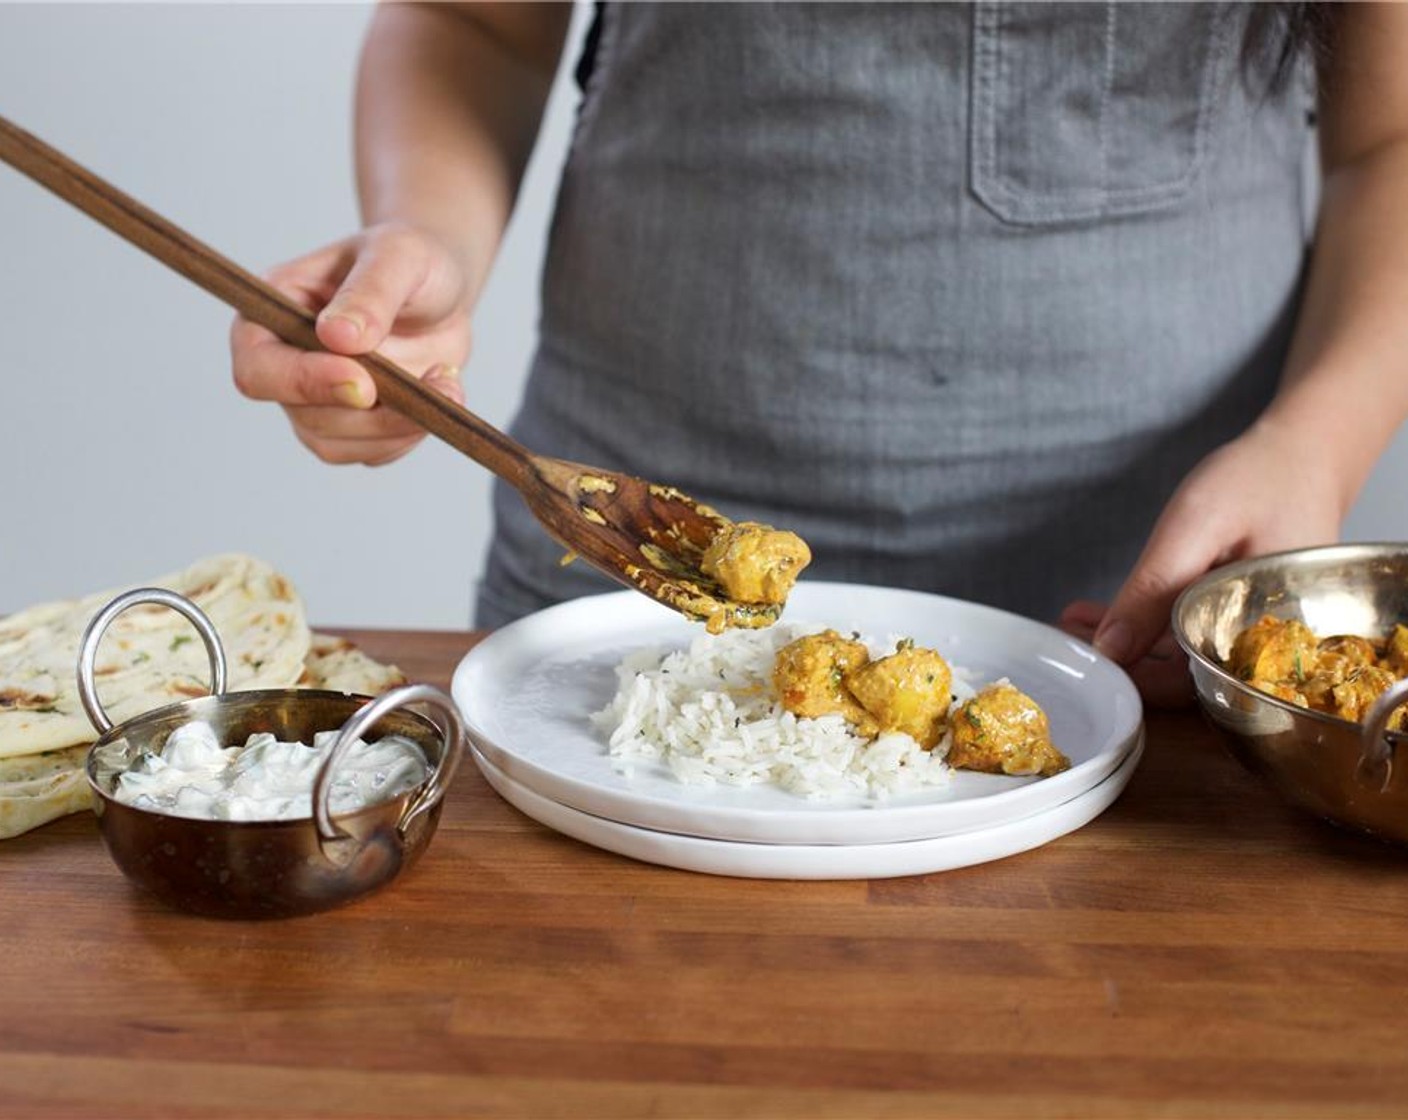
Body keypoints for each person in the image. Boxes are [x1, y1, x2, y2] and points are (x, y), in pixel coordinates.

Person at [231, 2, 1408, 707]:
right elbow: (472, 19)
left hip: (1135, 613)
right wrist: (425, 244)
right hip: (619, 580)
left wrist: (1315, 441)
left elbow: (1390, 134)